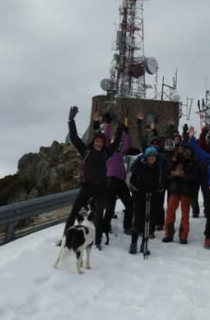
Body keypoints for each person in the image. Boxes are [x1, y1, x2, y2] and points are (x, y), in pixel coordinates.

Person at [64, 106, 123, 250]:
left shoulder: (105, 153)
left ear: (103, 143)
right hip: (87, 187)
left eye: (101, 142)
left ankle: (97, 241)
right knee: (74, 211)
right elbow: (74, 137)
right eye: (97, 141)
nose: (98, 143)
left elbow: (116, 144)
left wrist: (121, 127)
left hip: (102, 188)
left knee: (99, 215)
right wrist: (71, 120)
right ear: (94, 142)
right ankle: (65, 239)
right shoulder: (86, 151)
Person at [128, 146, 166, 254]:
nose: (152, 157)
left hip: (152, 196)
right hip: (140, 195)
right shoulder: (140, 166)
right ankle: (133, 243)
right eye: (150, 155)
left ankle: (144, 244)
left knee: (148, 221)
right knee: (138, 219)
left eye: (154, 155)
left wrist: (160, 188)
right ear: (146, 156)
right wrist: (137, 189)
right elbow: (133, 180)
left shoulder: (158, 167)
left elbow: (160, 182)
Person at [162, 143, 198, 244]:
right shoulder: (173, 160)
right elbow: (167, 172)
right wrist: (173, 173)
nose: (183, 152)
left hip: (186, 189)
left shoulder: (192, 162)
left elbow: (193, 177)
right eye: (181, 150)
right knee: (170, 211)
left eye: (186, 150)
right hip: (175, 188)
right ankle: (168, 233)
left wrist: (182, 175)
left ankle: (183, 236)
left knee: (185, 213)